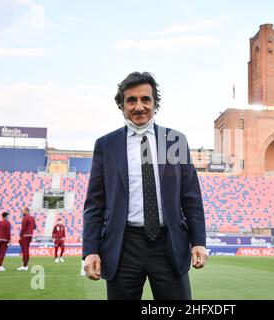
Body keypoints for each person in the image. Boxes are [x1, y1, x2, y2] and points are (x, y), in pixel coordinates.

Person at [83, 72, 207, 300]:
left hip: (168, 245)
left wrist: (198, 241)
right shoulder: (107, 145)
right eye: (131, 100)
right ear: (122, 105)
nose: (139, 106)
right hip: (123, 247)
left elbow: (191, 197)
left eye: (145, 100)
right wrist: (90, 250)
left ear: (154, 103)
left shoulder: (173, 141)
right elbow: (95, 203)